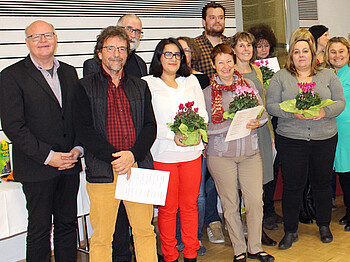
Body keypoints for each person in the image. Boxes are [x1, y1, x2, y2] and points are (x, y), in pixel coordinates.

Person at [73, 26, 158, 262]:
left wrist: (132, 155)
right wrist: (116, 158)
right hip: (103, 171)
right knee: (101, 237)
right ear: (99, 53)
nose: (116, 54)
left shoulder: (140, 86)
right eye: (110, 48)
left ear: (128, 54)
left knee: (145, 232)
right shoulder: (84, 86)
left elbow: (150, 126)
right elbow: (84, 130)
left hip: (137, 168)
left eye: (122, 49)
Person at [0, 20, 83, 262]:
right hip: (37, 168)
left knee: (68, 226)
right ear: (27, 42)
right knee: (39, 230)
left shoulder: (69, 71)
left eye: (47, 35)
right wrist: (50, 157)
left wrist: (77, 150)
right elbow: (14, 127)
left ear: (55, 38)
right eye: (35, 37)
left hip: (69, 165)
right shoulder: (11, 76)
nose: (42, 40)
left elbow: (77, 117)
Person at [266, 37, 345, 250]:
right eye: (297, 51)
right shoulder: (280, 77)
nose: (301, 55)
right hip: (291, 140)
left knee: (321, 184)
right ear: (291, 55)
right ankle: (290, 230)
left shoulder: (328, 76)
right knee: (293, 186)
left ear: (312, 54)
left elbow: (340, 102)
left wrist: (324, 111)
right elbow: (271, 105)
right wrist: (292, 113)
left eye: (305, 51)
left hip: (324, 137)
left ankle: (324, 225)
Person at [203, 43, 274, 262]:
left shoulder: (249, 84)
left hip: (250, 153)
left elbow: (263, 116)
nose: (226, 66)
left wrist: (254, 121)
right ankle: (239, 250)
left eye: (229, 61)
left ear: (234, 62)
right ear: (214, 66)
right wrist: (231, 122)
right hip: (220, 155)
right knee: (230, 203)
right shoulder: (206, 93)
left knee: (255, 201)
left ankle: (255, 247)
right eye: (220, 62)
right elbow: (205, 128)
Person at [142, 38, 208, 262]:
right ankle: (169, 254)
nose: (172, 59)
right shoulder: (147, 83)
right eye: (167, 54)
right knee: (167, 209)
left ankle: (191, 253)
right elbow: (147, 121)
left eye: (177, 54)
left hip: (192, 154)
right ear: (159, 57)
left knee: (190, 207)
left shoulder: (191, 82)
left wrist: (194, 131)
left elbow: (203, 115)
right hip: (163, 155)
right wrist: (172, 135)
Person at [230, 31, 277, 246]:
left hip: (262, 132)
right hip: (243, 135)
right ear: (234, 50)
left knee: (262, 183)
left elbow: (264, 103)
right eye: (241, 46)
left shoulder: (257, 70)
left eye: (249, 45)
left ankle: (256, 231)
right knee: (244, 187)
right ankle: (242, 232)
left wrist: (270, 133)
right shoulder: (230, 73)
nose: (246, 49)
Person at [194, 1, 228, 243]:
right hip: (205, 118)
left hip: (230, 119)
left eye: (220, 17)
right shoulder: (194, 46)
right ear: (204, 21)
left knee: (224, 177)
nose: (217, 21)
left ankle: (226, 218)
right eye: (212, 17)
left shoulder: (230, 45)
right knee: (206, 181)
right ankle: (211, 221)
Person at [176, 36, 209, 256]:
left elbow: (205, 114)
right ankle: (176, 239)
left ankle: (193, 239)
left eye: (186, 50)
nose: (182, 54)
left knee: (198, 196)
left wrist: (204, 139)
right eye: (178, 50)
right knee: (174, 199)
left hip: (197, 147)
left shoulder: (202, 79)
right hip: (170, 150)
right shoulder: (157, 81)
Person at [325, 37, 350, 231]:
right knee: (341, 174)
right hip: (330, 130)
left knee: (348, 174)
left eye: (341, 51)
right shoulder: (325, 75)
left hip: (348, 130)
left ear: (348, 53)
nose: (337, 55)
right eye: (333, 52)